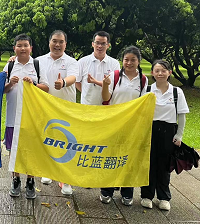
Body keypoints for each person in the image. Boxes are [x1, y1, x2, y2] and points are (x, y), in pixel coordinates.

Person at [100, 46, 148, 206]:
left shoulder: (143, 79)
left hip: (132, 126)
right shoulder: (114, 76)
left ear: (138, 61)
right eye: (126, 59)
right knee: (111, 157)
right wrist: (105, 85)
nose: (129, 63)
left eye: (133, 60)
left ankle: (127, 192)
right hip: (114, 124)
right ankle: (107, 190)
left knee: (129, 158)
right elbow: (106, 99)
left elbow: (142, 104)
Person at [3, 34, 49, 199]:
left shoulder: (37, 65)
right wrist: (10, 83)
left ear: (31, 48)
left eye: (25, 45)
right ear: (14, 48)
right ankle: (15, 179)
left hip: (31, 116)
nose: (22, 48)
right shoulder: (9, 66)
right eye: (19, 45)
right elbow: (2, 90)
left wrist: (34, 84)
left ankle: (31, 180)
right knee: (13, 150)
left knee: (30, 148)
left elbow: (46, 88)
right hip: (12, 116)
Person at [140, 59, 189, 211]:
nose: (160, 73)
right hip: (150, 130)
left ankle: (163, 197)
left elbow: (181, 115)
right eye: (157, 70)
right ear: (152, 73)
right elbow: (140, 113)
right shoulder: (147, 90)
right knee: (149, 164)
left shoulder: (176, 92)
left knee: (164, 165)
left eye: (163, 70)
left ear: (170, 73)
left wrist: (179, 135)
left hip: (169, 131)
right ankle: (146, 196)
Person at [36, 30, 78, 195]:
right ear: (49, 42)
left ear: (65, 44)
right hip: (45, 107)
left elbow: (73, 77)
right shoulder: (38, 60)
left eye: (61, 41)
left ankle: (65, 179)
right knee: (48, 138)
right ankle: (47, 171)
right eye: (54, 41)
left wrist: (63, 82)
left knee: (67, 142)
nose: (57, 44)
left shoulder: (71, 61)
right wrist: (13, 59)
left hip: (66, 108)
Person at [76, 31, 120, 105]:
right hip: (87, 105)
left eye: (103, 44)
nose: (100, 46)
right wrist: (86, 93)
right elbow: (77, 81)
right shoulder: (82, 61)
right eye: (97, 43)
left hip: (106, 106)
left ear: (108, 45)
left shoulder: (114, 63)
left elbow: (115, 86)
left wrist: (95, 82)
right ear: (93, 44)